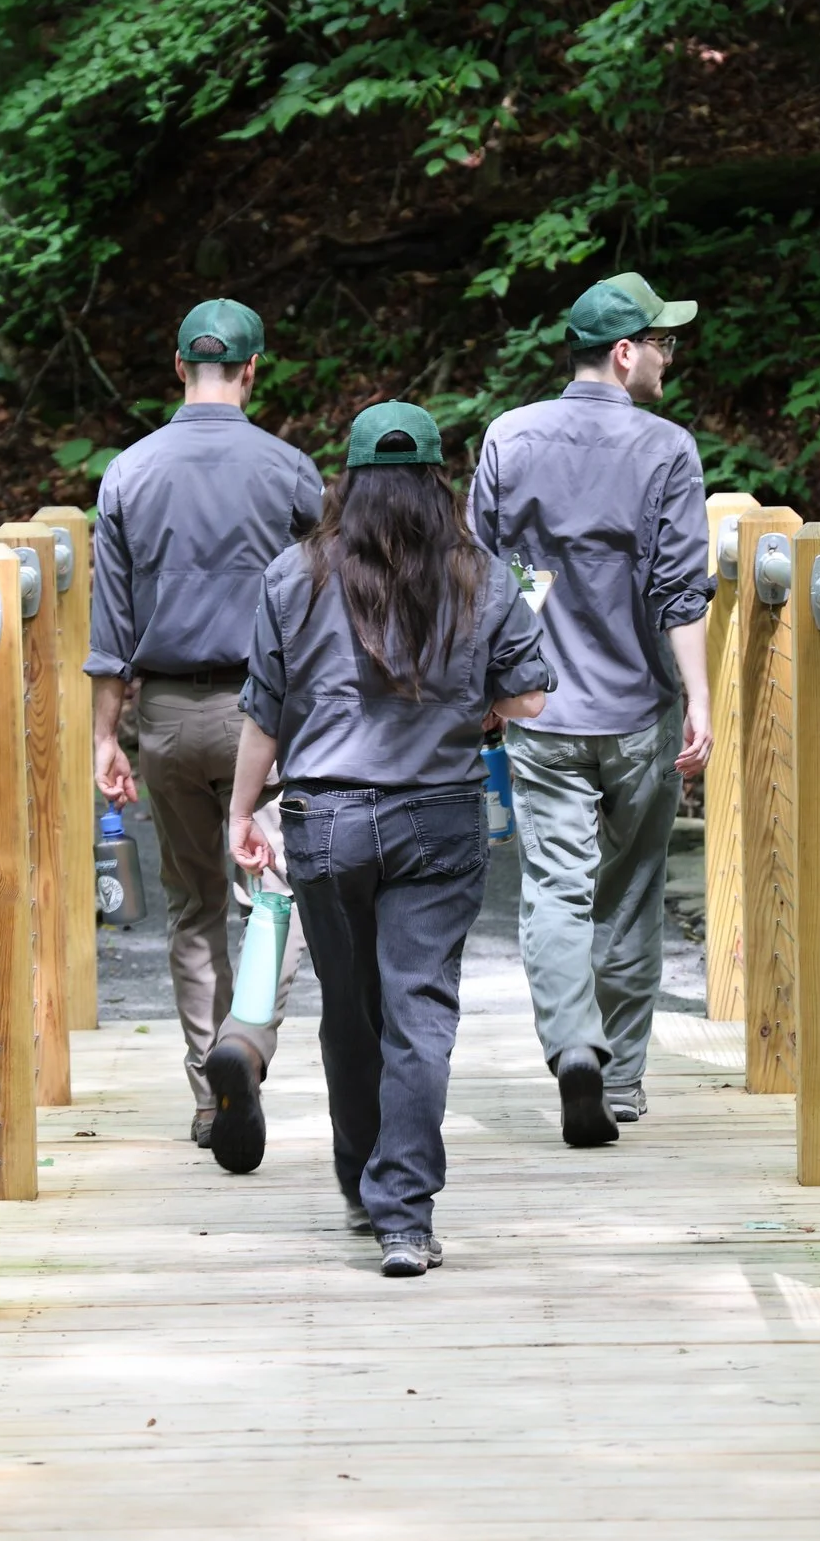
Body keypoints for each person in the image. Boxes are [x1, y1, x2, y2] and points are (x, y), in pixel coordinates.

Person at [229, 402, 553, 1278]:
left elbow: (265, 709)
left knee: (350, 1008)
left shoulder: (293, 574)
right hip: (438, 816)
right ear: (439, 480)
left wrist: (241, 812)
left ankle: (358, 1176)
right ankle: (403, 1215)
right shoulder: (480, 576)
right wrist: (474, 703)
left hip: (325, 819)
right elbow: (529, 696)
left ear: (349, 480)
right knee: (420, 1013)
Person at [469, 272, 715, 1149]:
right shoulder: (667, 449)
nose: (667, 358)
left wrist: (489, 689)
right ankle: (621, 1078)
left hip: (540, 712)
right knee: (632, 888)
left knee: (556, 888)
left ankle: (574, 1043)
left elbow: (488, 577)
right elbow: (680, 589)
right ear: (623, 353)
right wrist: (700, 697)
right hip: (640, 711)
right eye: (661, 343)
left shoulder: (509, 436)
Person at [88, 298, 324, 1173]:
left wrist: (106, 738)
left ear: (179, 367)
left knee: (193, 906)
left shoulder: (128, 473)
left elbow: (110, 628)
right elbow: (326, 598)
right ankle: (244, 1042)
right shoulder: (290, 471)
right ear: (253, 369)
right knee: (274, 891)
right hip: (267, 717)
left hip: (166, 719)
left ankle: (206, 1091)